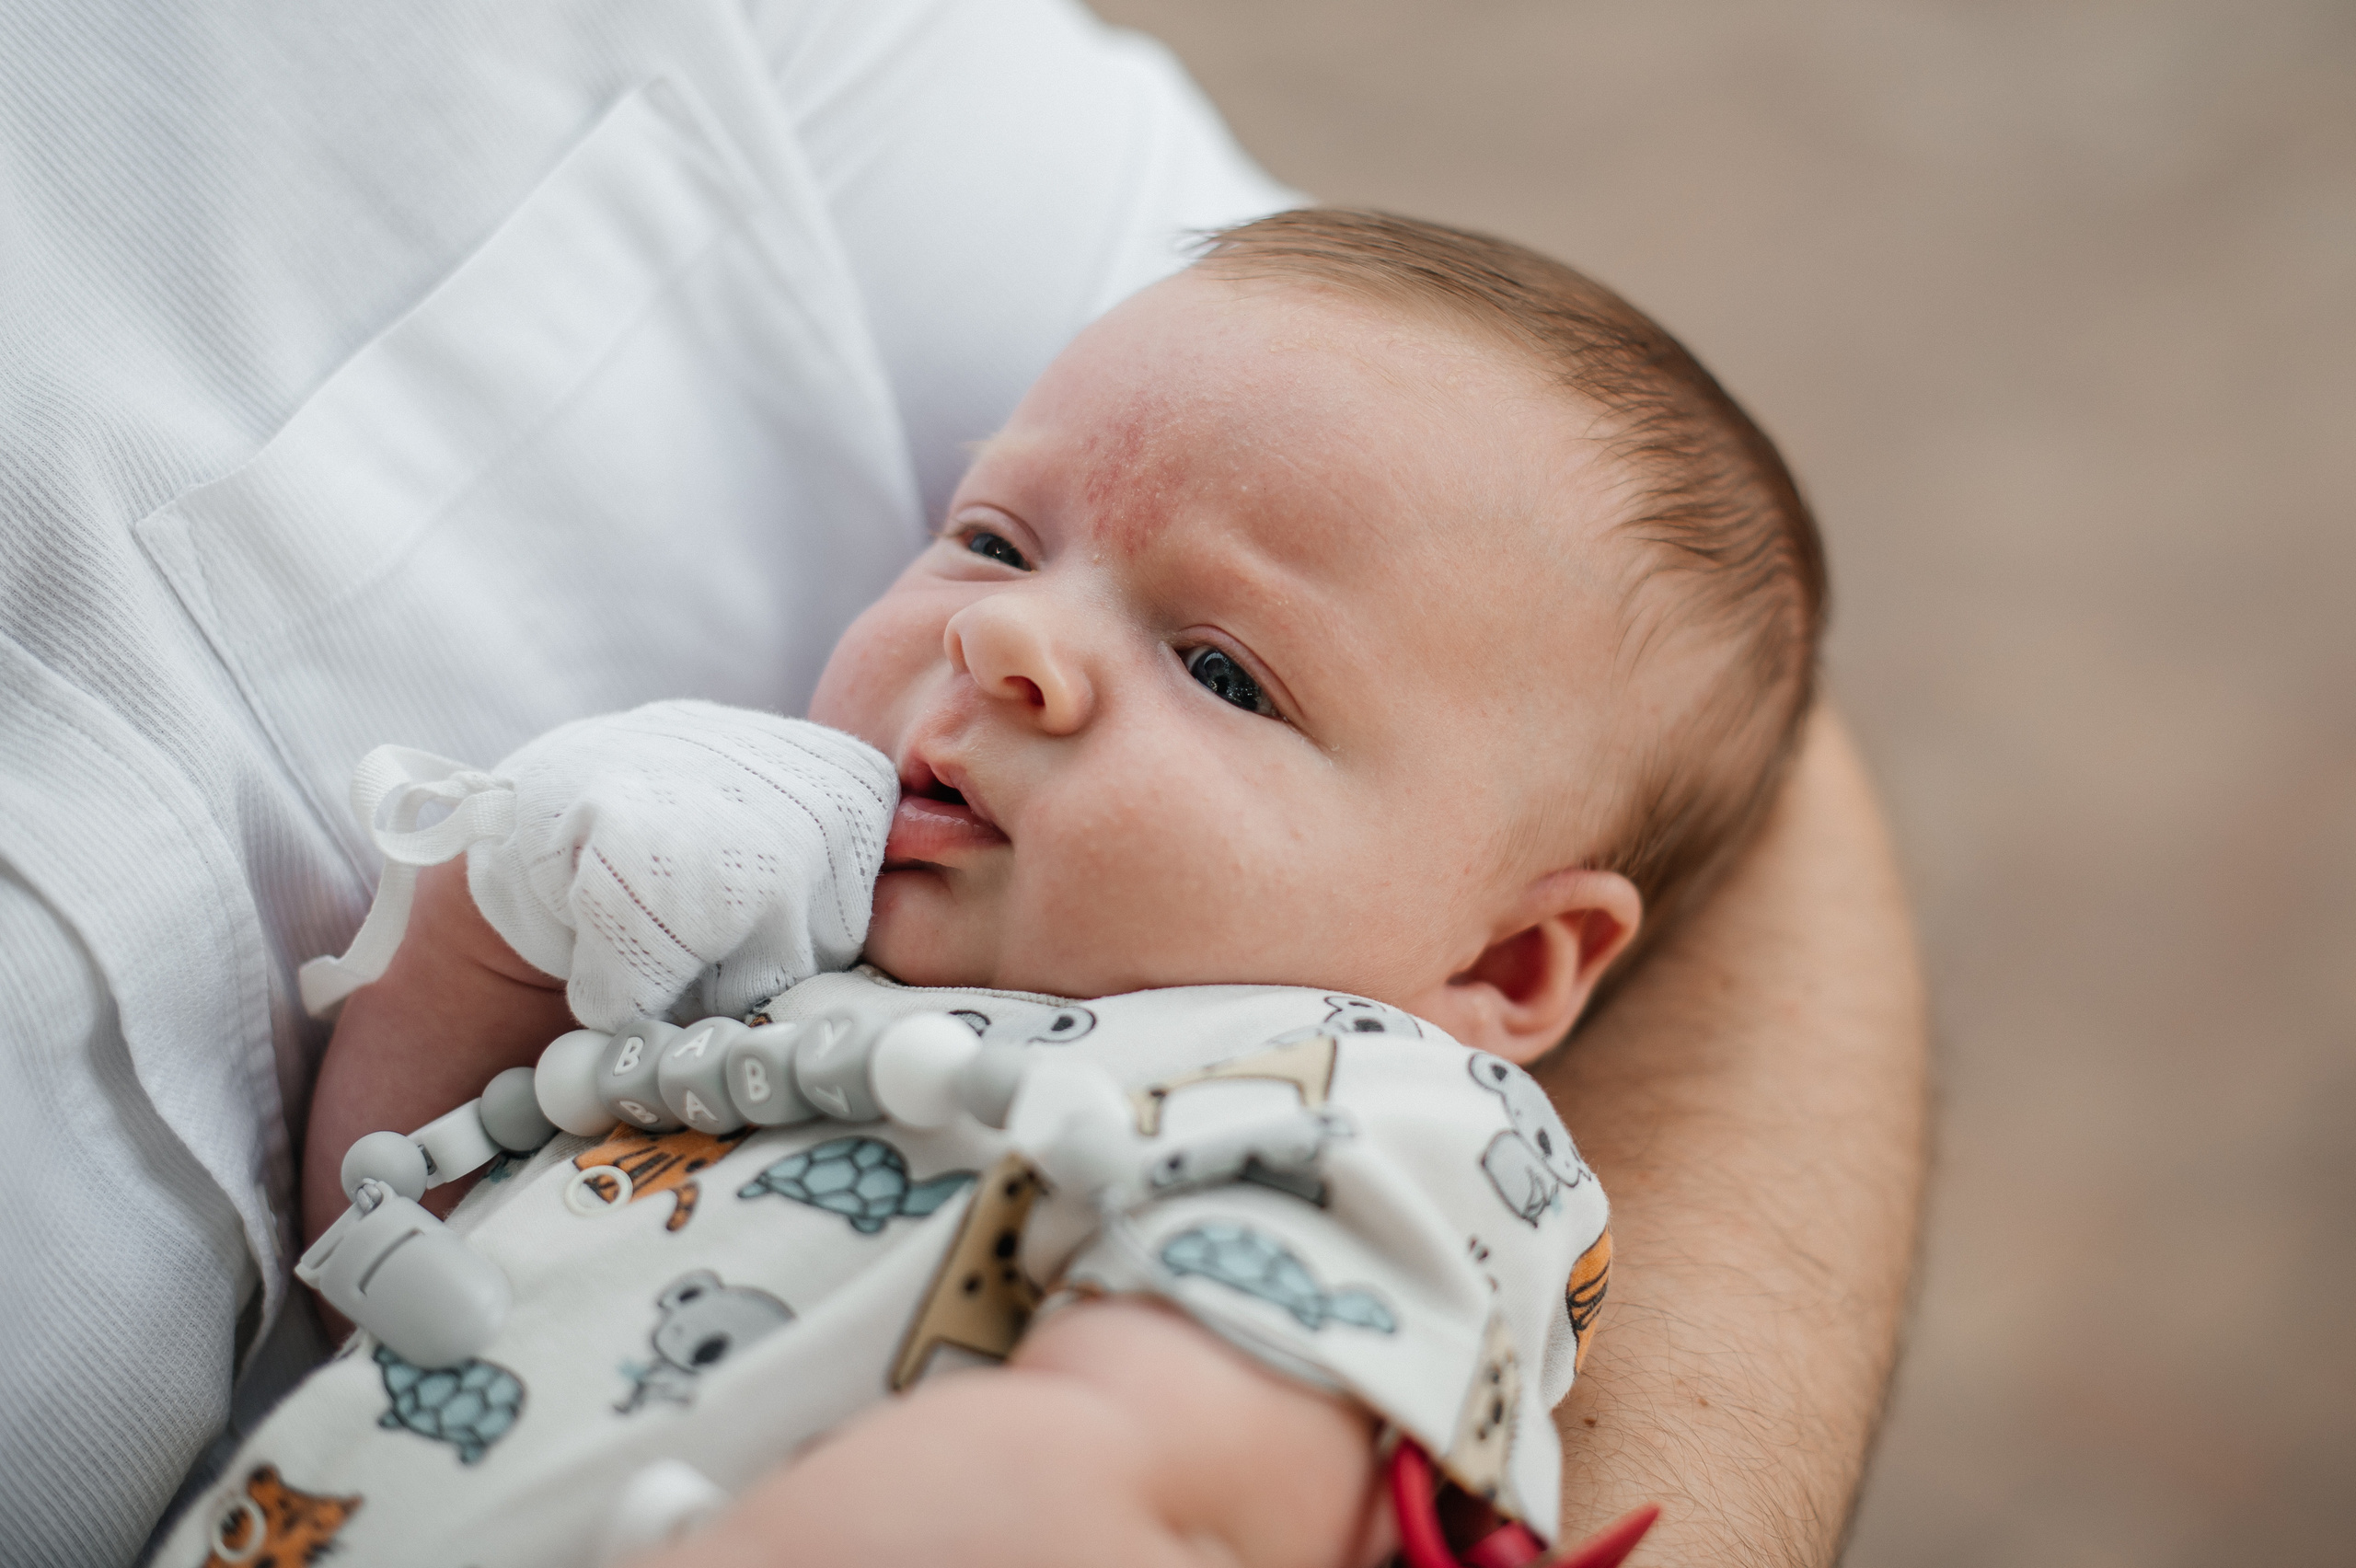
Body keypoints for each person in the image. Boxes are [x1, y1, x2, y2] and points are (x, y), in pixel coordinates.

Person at [0, 8, 1924, 1568]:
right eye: (994, 539)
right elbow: (382, 1269)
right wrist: (490, 948)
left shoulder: (1369, 1117)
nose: (1008, 639)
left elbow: (1166, 1470)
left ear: (1504, 965)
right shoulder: (758, 996)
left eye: (1224, 669)